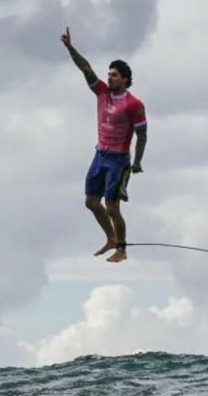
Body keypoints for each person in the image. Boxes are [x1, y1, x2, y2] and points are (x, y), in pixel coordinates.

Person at [61, 27, 148, 263]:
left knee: (112, 206)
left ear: (126, 79)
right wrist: (70, 47)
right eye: (109, 74)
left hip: (119, 160)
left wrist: (137, 162)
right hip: (100, 155)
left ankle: (121, 248)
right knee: (91, 202)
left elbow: (142, 134)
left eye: (115, 75)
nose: (110, 77)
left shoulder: (134, 104)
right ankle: (110, 237)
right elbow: (85, 68)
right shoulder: (102, 93)